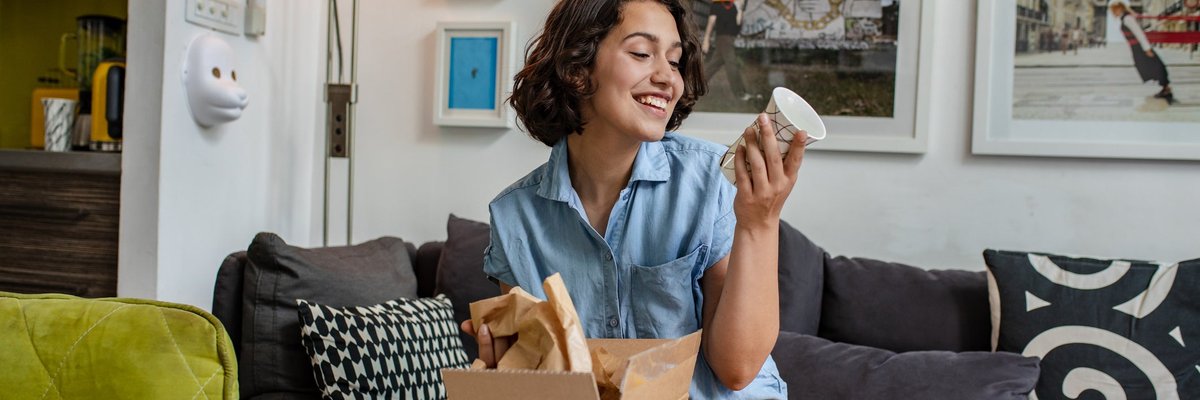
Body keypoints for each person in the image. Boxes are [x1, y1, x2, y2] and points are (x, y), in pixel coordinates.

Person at [459, 0, 804, 398]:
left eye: (674, 62)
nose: (668, 79)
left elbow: (737, 369)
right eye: (642, 53)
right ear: (577, 69)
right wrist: (514, 375)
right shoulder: (514, 218)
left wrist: (760, 222)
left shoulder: (712, 181)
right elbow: (550, 381)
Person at [1110, 2, 1174, 102]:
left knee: (1153, 65)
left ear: (1119, 9)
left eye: (1114, 10)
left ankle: (1166, 88)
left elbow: (1139, 33)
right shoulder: (1124, 18)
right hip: (1136, 47)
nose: (1113, 12)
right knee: (1148, 66)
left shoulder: (1127, 18)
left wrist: (1147, 49)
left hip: (1140, 47)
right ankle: (1164, 87)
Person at [702, 0, 751, 101]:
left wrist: (741, 9)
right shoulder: (717, 5)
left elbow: (738, 24)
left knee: (713, 65)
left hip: (730, 39)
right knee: (732, 65)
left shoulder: (733, 7)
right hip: (723, 38)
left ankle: (696, 86)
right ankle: (740, 93)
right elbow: (711, 23)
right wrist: (706, 40)